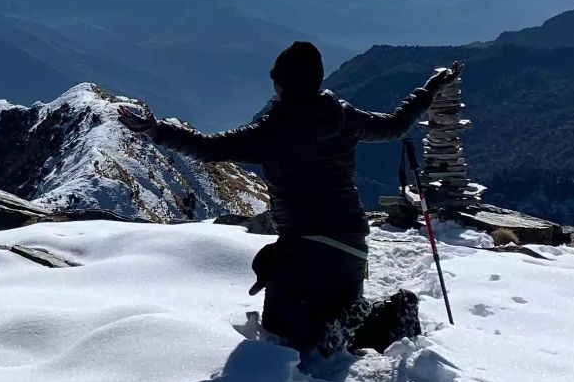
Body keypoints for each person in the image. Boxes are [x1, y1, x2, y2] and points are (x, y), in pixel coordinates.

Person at [119, 41, 460, 358]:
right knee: (327, 320)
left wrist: (155, 130)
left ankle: (369, 318)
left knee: (286, 333)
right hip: (352, 243)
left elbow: (210, 148)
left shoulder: (274, 129)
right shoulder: (344, 117)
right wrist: (430, 88)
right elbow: (396, 125)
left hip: (307, 246)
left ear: (282, 84)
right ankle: (377, 316)